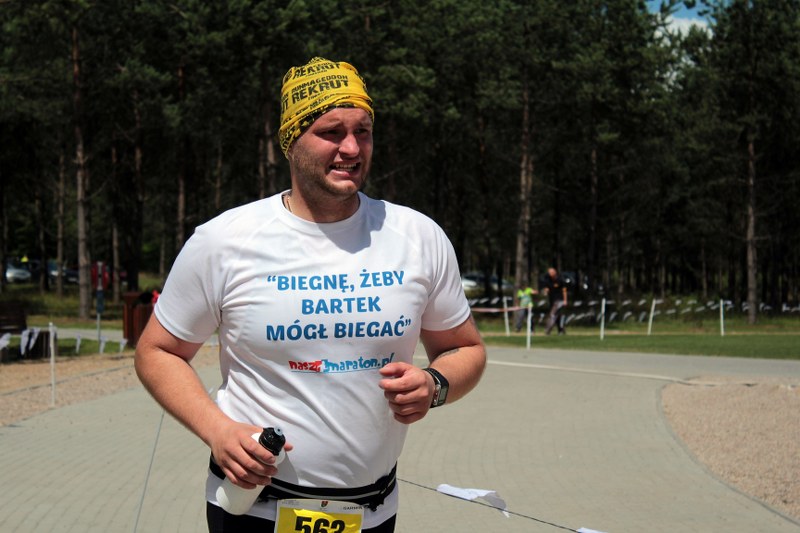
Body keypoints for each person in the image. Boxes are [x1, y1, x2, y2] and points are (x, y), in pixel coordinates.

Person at [134, 57, 486, 533]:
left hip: (372, 514)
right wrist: (217, 430)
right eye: (331, 132)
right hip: (252, 509)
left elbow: (465, 349)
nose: (351, 148)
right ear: (291, 140)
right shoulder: (225, 241)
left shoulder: (417, 236)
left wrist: (434, 385)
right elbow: (157, 351)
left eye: (363, 131)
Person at [543, 267, 568, 335]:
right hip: (552, 300)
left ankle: (547, 330)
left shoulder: (560, 280)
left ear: (555, 272)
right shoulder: (548, 280)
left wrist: (565, 300)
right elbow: (546, 288)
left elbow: (564, 291)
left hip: (559, 300)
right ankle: (561, 330)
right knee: (557, 316)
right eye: (549, 272)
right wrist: (546, 291)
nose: (550, 274)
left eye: (551, 272)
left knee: (552, 314)